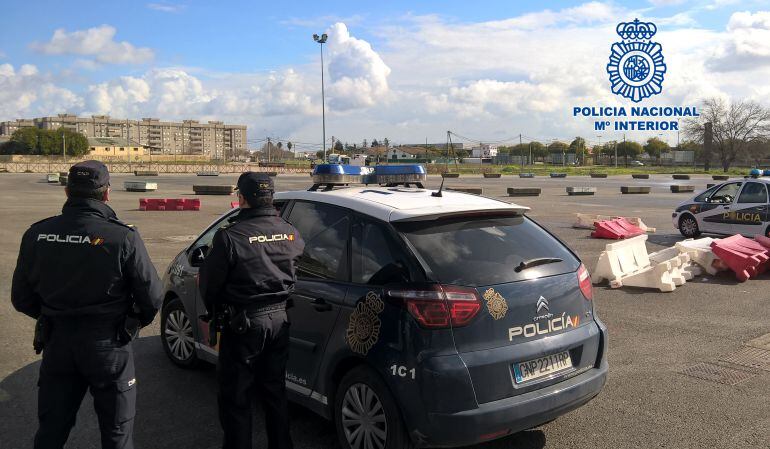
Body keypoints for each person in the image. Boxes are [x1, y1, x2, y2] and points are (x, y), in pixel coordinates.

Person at [11, 160, 162, 449]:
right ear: (107, 194)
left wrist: (52, 316)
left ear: (67, 191)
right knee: (117, 433)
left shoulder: (37, 234)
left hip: (57, 341)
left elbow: (21, 298)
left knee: (51, 430)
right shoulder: (122, 236)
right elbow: (152, 297)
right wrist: (131, 323)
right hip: (108, 344)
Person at [199, 172, 304, 449]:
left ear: (242, 198)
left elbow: (209, 286)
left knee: (236, 398)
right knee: (275, 392)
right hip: (280, 320)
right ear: (270, 197)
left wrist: (213, 312)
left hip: (243, 324)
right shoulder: (291, 231)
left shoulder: (230, 237)